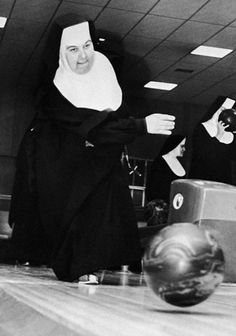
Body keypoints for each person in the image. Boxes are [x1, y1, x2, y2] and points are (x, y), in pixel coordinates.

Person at [8, 14, 175, 284]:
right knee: (75, 210)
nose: (84, 56)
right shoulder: (54, 92)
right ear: (61, 52)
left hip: (99, 158)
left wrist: (131, 126)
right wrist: (143, 125)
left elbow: (114, 120)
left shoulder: (104, 69)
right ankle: (77, 266)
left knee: (107, 206)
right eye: (73, 49)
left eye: (87, 45)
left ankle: (99, 262)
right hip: (59, 162)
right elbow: (92, 128)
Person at [188, 102, 236, 185]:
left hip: (223, 180)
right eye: (223, 110)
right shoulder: (202, 128)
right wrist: (218, 135)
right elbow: (203, 154)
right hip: (203, 177)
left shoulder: (231, 133)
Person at [146, 135, 186, 205]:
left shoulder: (182, 163)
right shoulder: (160, 162)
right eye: (182, 146)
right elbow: (152, 189)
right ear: (174, 145)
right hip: (161, 208)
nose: (184, 149)